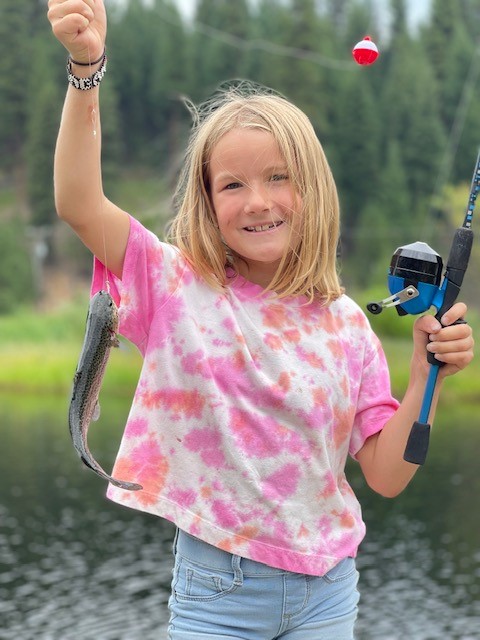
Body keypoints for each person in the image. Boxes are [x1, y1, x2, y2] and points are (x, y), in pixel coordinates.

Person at [47, 1, 474, 638]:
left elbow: (385, 474)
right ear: (207, 198)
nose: (259, 202)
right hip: (217, 591)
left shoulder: (348, 326)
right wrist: (87, 66)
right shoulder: (173, 284)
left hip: (330, 591)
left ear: (313, 189)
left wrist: (423, 373)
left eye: (279, 177)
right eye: (233, 185)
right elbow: (78, 202)